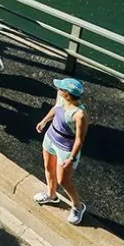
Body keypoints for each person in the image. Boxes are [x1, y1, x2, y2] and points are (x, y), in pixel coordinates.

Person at [34, 77, 89, 226]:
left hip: (65, 149)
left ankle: (78, 206)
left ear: (68, 94)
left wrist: (71, 158)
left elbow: (79, 139)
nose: (57, 89)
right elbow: (56, 109)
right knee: (48, 167)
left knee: (63, 180)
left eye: (61, 88)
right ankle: (51, 195)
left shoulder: (80, 114)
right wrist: (44, 121)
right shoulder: (61, 97)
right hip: (50, 138)